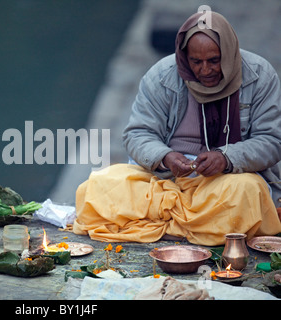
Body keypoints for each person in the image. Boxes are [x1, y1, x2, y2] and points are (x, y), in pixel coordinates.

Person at [73, 11, 281, 246]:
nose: (205, 70)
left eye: (214, 60)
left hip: (227, 180)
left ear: (230, 53)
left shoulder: (259, 75)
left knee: (247, 192)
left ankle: (162, 224)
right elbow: (138, 134)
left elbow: (272, 141)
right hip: (167, 180)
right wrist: (165, 157)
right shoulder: (161, 76)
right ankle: (200, 226)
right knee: (99, 184)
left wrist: (226, 158)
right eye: (196, 62)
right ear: (184, 57)